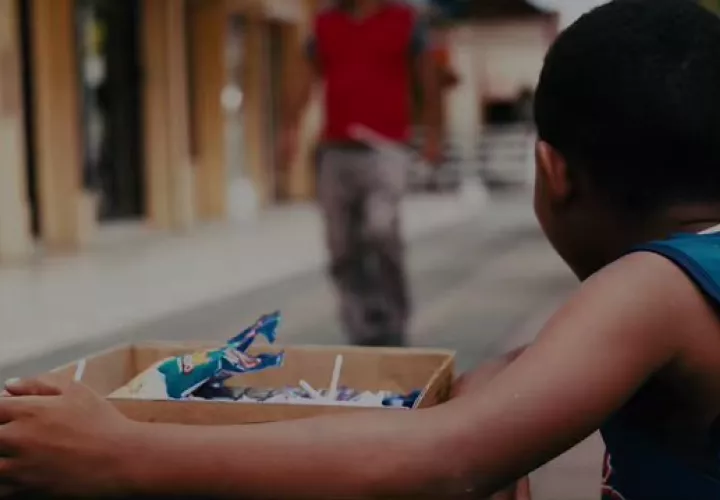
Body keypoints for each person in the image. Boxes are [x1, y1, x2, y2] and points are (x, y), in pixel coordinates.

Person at [2, 1, 720, 498]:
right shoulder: (687, 278)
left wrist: (121, 455)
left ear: (552, 172)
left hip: (376, 148)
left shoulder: (650, 287)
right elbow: (536, 368)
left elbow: (444, 461)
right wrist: (488, 390)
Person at [278, 0, 442, 348]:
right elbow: (306, 75)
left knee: (380, 230)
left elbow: (427, 76)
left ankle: (393, 324)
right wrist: (289, 128)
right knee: (341, 246)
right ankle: (360, 329)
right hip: (336, 149)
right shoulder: (325, 23)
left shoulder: (404, 20)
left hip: (387, 148)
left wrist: (433, 133)